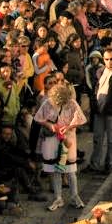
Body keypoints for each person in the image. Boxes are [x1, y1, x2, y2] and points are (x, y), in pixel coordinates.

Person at [33, 81, 87, 211]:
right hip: (52, 140)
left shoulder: (72, 103)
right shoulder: (47, 103)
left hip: (68, 139)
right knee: (55, 169)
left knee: (70, 170)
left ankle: (75, 196)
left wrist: (68, 127)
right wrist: (51, 126)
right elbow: (38, 118)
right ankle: (58, 197)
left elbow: (81, 119)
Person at [86, 48, 112, 173]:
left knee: (111, 139)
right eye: (107, 59)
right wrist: (94, 103)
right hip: (99, 110)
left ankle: (109, 163)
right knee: (97, 138)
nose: (109, 62)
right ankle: (95, 163)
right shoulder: (100, 71)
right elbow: (95, 88)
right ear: (103, 60)